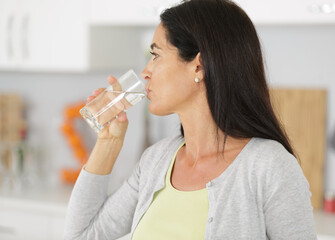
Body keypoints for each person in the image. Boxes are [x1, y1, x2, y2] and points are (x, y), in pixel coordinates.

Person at [64, 0, 317, 239]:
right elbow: (82, 235)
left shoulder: (269, 167)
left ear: (199, 66)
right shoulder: (155, 161)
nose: (145, 71)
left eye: (156, 55)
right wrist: (108, 144)